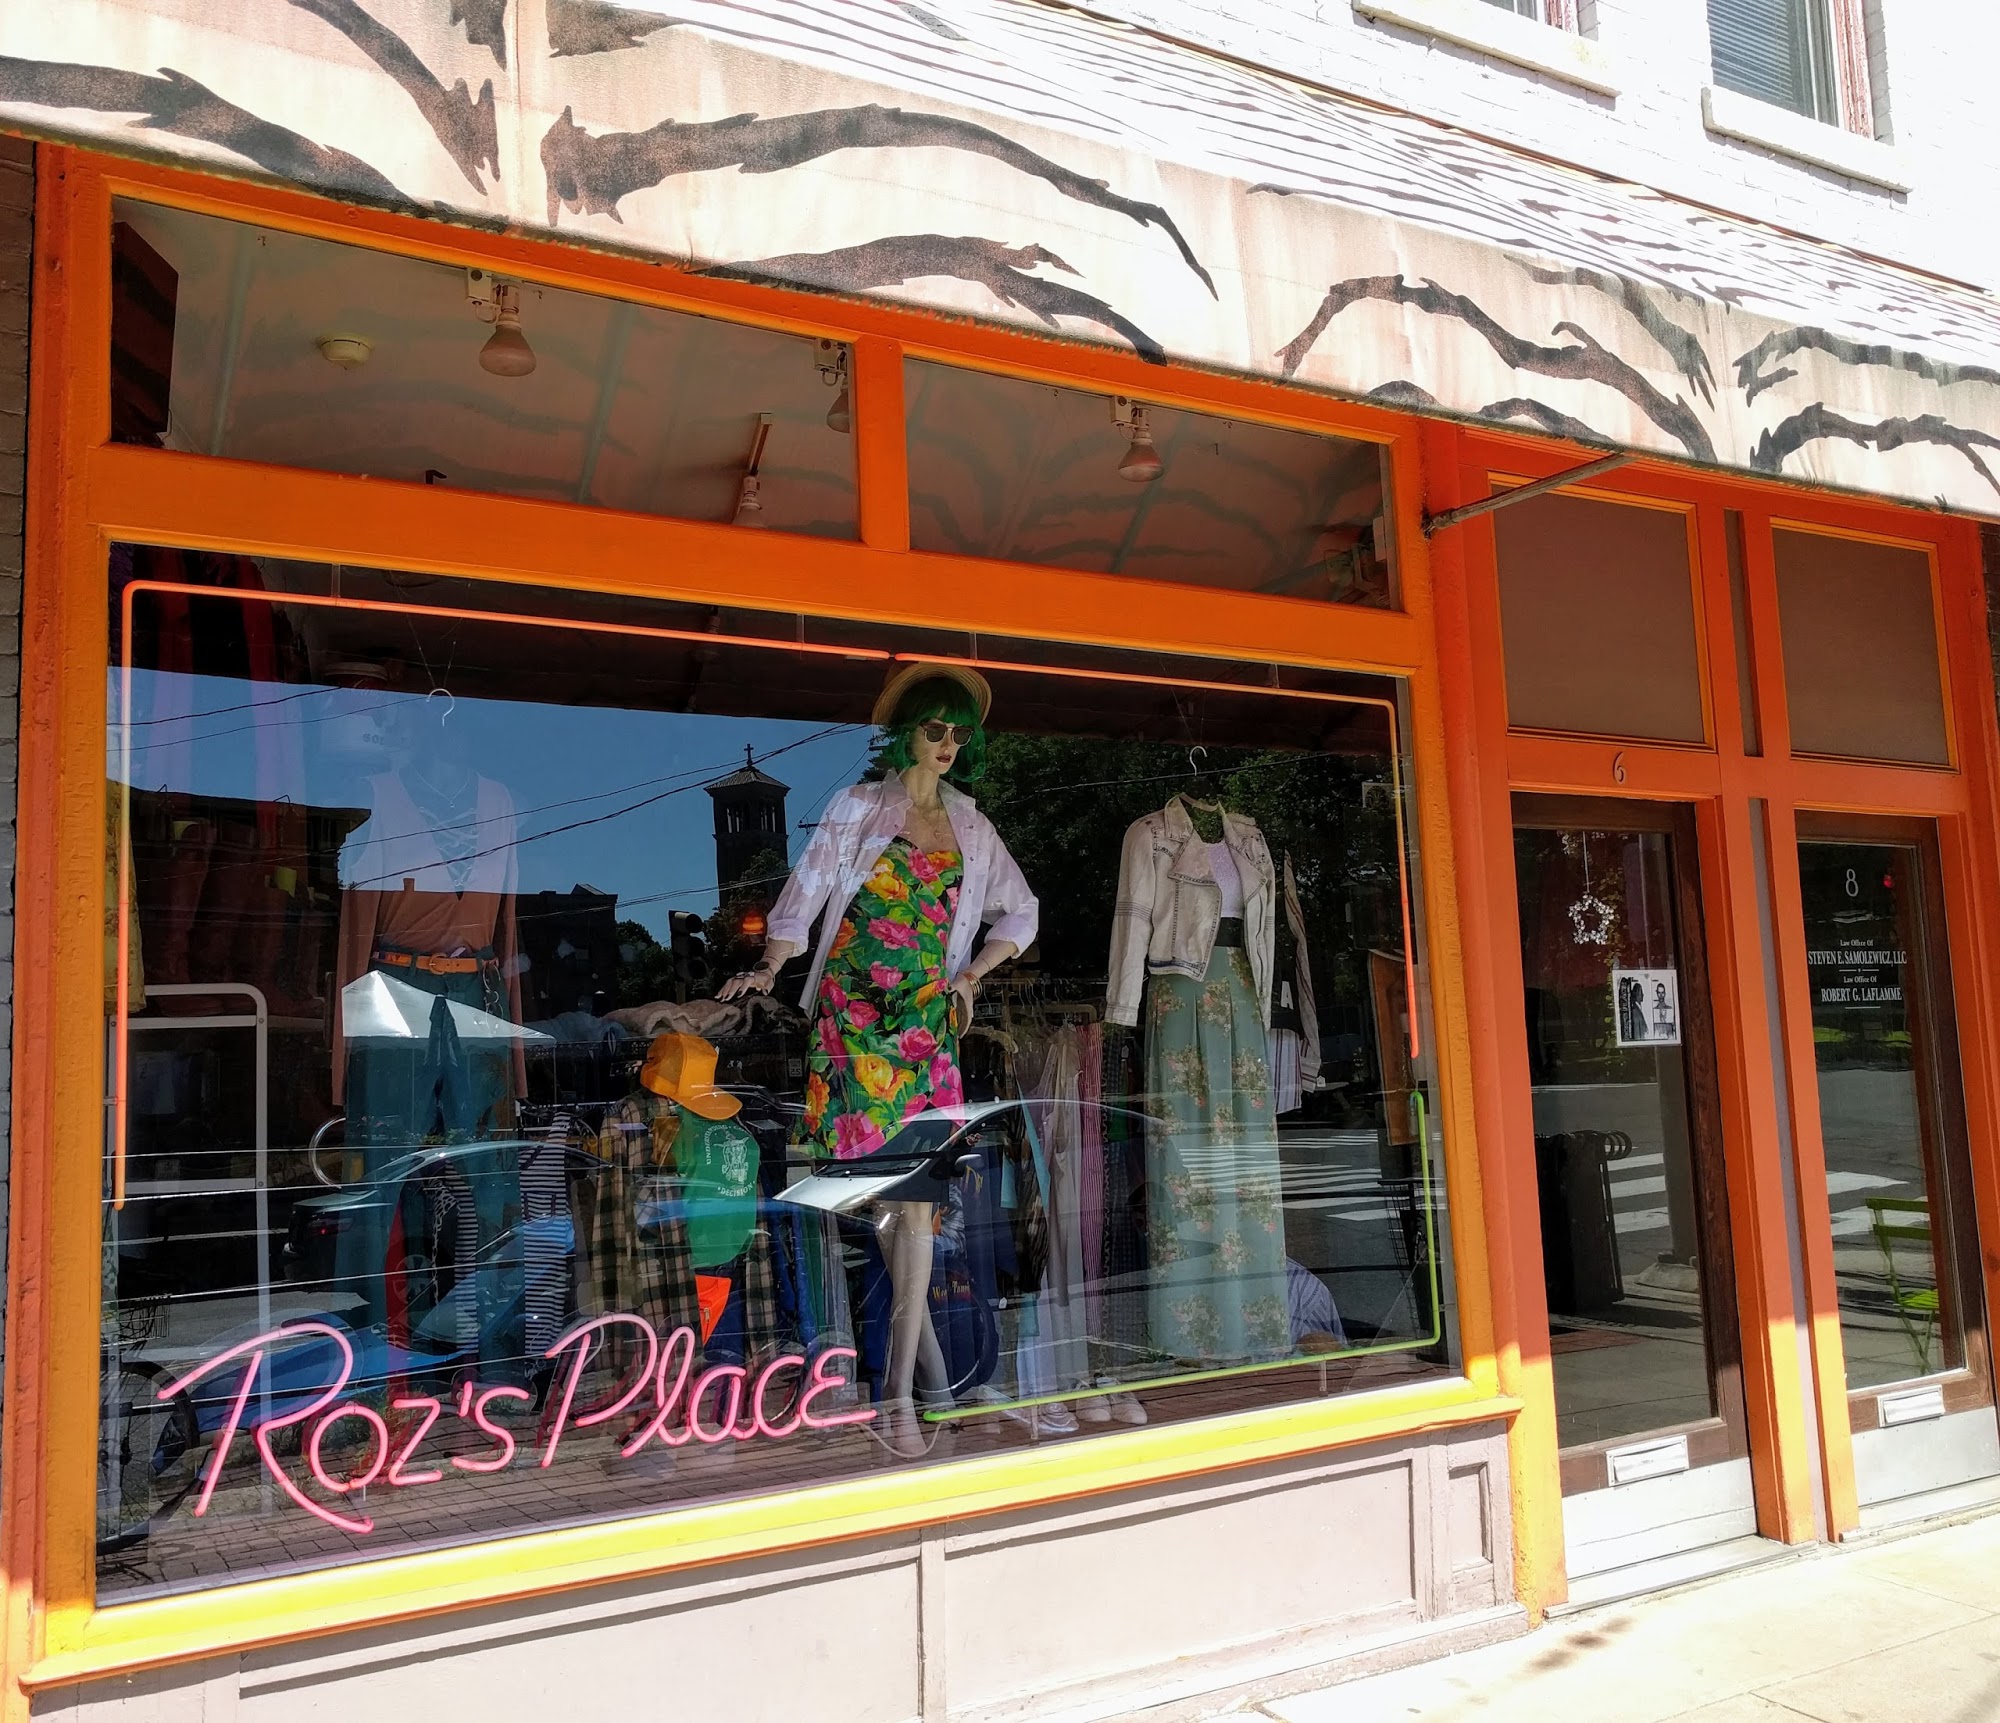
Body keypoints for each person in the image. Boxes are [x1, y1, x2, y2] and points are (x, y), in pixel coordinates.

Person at [718, 663, 1037, 1454]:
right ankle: (921, 1393)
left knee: (915, 1208)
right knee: (898, 1210)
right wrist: (769, 964)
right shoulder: (859, 807)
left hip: (928, 1024)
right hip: (855, 1021)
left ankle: (903, 1394)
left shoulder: (972, 825)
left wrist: (972, 976)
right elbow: (804, 896)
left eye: (960, 732)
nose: (948, 744)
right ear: (907, 732)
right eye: (935, 728)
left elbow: (1022, 913)